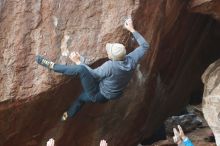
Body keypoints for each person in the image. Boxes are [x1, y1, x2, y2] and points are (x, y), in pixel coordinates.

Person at [36, 17, 150, 121]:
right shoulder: (132, 59)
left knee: (81, 70)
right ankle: (65, 117)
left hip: (98, 94)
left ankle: (51, 65)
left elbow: (93, 74)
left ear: (111, 57)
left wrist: (78, 61)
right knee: (80, 99)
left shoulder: (110, 66)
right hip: (106, 91)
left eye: (109, 51)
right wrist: (131, 29)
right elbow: (145, 46)